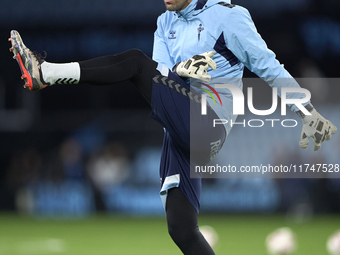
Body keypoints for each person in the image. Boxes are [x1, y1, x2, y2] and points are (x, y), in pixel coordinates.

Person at [8, 0, 337, 253]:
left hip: (210, 125)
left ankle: (45, 72)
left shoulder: (229, 17)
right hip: (180, 128)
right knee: (181, 228)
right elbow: (161, 76)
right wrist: (182, 68)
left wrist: (306, 112)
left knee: (134, 60)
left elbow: (269, 66)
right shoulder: (164, 22)